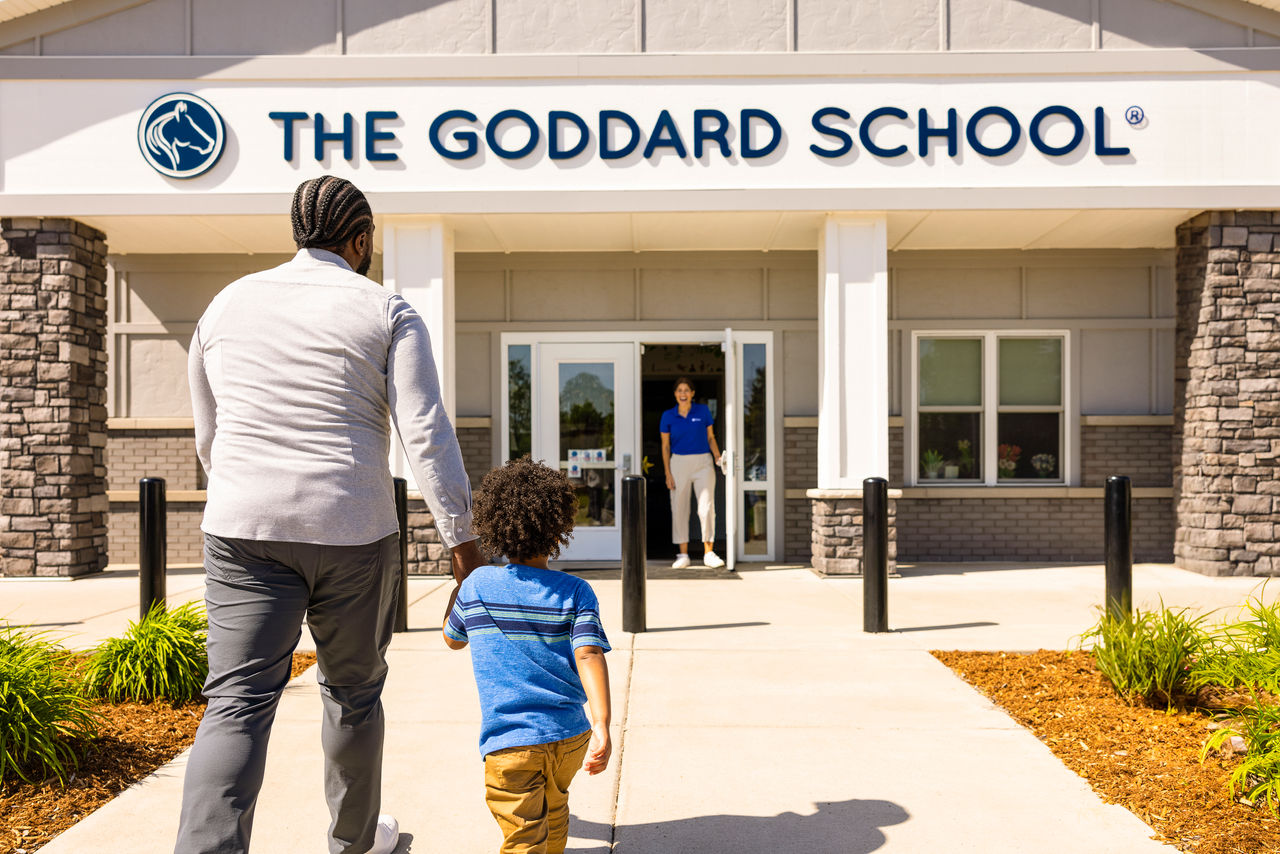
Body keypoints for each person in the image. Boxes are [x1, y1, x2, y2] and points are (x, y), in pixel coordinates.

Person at [177, 175, 485, 854]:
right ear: (360, 238)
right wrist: (463, 545)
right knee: (352, 695)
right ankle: (353, 843)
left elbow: (210, 434)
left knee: (235, 706)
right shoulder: (385, 308)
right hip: (353, 528)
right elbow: (425, 432)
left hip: (243, 530)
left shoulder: (225, 306)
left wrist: (246, 492)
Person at [443, 457, 612, 854]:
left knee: (523, 839)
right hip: (570, 737)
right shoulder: (576, 591)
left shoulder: (478, 585)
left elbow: (452, 639)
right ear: (559, 530)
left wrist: (460, 589)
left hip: (510, 743)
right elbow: (589, 656)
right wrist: (602, 724)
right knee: (554, 814)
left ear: (495, 528)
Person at [659, 376, 725, 569]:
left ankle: (709, 552)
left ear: (693, 393)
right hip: (678, 463)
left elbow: (711, 438)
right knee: (679, 508)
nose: (683, 394)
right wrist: (668, 473)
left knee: (706, 507)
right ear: (675, 394)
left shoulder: (703, 411)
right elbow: (665, 447)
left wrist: (717, 456)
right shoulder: (668, 416)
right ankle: (683, 554)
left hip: (703, 462)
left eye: (686, 390)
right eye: (679, 390)